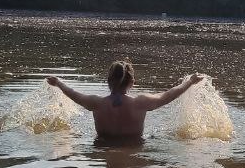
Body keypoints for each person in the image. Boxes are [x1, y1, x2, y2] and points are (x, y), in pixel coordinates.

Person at [46, 60, 205, 141]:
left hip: (101, 148)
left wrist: (58, 83)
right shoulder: (140, 103)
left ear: (108, 81)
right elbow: (167, 96)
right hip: (135, 146)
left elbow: (73, 93)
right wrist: (189, 82)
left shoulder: (96, 103)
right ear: (132, 82)